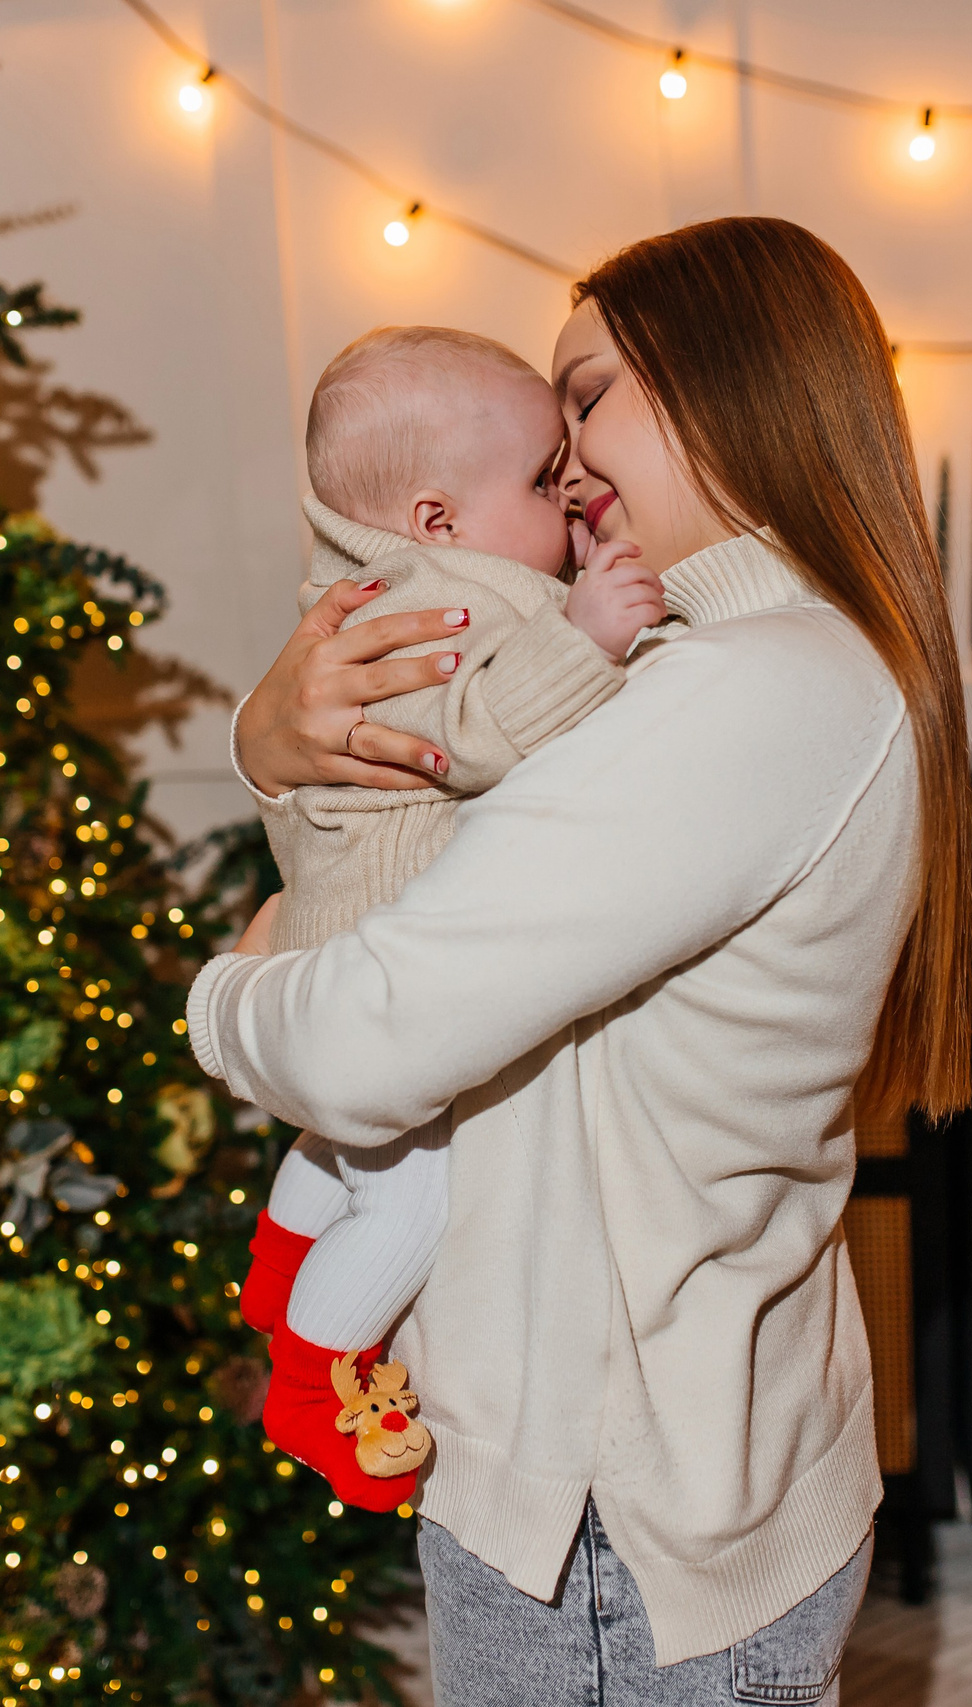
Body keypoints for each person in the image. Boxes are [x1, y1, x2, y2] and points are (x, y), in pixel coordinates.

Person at [198, 216, 972, 1704]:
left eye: (587, 392)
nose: (561, 457)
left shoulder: (748, 694)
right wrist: (273, 745)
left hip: (611, 1507)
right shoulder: (717, 670)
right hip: (633, 1466)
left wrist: (219, 997)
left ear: (717, 384)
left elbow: (368, 1038)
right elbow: (429, 854)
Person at [241, 324, 664, 1514]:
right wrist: (586, 637)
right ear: (438, 521)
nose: (572, 493)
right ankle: (318, 1375)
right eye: (542, 480)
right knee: (415, 1192)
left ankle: (278, 1279)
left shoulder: (383, 588)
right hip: (391, 964)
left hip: (344, 940)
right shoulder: (455, 608)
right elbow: (472, 738)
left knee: (341, 1154)